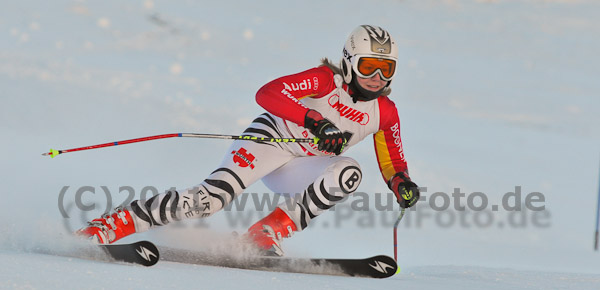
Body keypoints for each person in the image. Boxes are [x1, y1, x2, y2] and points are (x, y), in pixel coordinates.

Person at [77, 24, 420, 256]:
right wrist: (313, 120)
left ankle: (264, 234)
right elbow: (267, 93)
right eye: (369, 66)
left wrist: (401, 182)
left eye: (386, 69)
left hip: (300, 166)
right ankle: (113, 224)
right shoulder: (323, 80)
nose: (376, 78)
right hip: (268, 141)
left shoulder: (384, 112)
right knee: (212, 200)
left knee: (348, 173)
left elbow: (392, 159)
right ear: (349, 61)